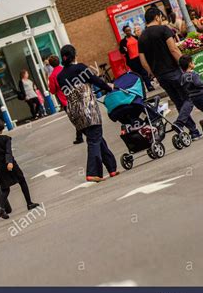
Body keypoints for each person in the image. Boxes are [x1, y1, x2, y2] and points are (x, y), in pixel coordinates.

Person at [57, 45, 119, 182]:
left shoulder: (60, 76)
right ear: (74, 55)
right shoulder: (79, 68)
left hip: (74, 113)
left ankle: (112, 168)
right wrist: (109, 88)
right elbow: (95, 80)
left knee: (97, 139)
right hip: (88, 110)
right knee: (94, 140)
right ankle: (92, 172)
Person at [138, 7, 202, 140]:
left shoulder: (142, 37)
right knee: (189, 98)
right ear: (157, 17)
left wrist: (153, 73)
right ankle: (180, 123)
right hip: (174, 71)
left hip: (161, 76)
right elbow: (173, 49)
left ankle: (194, 132)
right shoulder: (164, 30)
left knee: (178, 102)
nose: (162, 20)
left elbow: (143, 62)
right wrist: (184, 64)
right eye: (161, 17)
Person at [0, 117, 39, 219]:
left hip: (0, 169)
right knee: (22, 181)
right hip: (11, 165)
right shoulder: (6, 139)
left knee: (5, 189)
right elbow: (8, 151)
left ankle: (0, 207)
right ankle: (29, 203)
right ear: (1, 127)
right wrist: (9, 162)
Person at [47, 55, 84, 144]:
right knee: (80, 114)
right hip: (76, 95)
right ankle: (79, 136)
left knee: (75, 118)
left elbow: (52, 91)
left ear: (51, 65)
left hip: (65, 99)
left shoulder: (52, 76)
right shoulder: (66, 69)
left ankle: (80, 136)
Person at [119, 25, 155, 92]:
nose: (129, 32)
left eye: (129, 30)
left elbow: (141, 45)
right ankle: (144, 89)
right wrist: (124, 50)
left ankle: (149, 86)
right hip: (132, 61)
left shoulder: (135, 37)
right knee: (139, 75)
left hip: (140, 57)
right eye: (127, 31)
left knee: (144, 72)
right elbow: (121, 51)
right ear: (124, 32)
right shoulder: (123, 42)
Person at [179, 55, 203, 132]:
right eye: (192, 62)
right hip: (202, 96)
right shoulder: (194, 74)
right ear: (190, 64)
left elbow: (183, 85)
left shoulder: (183, 76)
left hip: (193, 98)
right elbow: (198, 84)